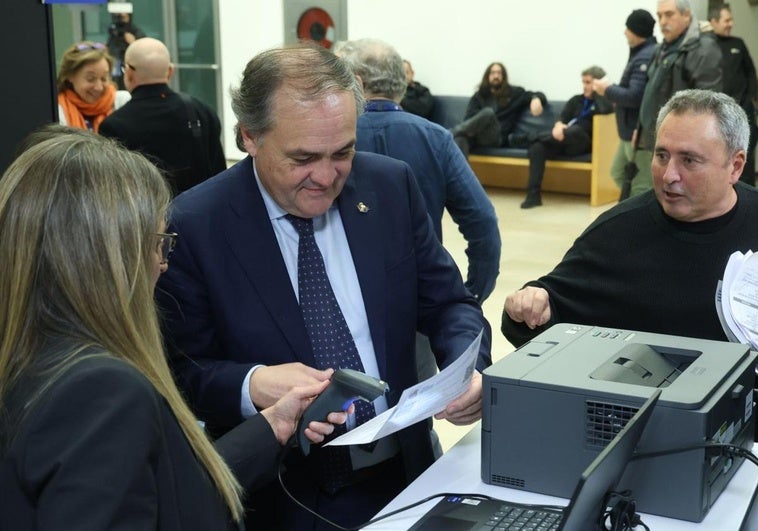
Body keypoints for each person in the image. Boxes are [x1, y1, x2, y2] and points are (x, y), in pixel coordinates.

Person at [155, 43, 492, 530]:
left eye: (343, 152)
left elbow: (449, 304)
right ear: (250, 136)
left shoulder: (390, 187)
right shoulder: (196, 224)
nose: (326, 176)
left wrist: (469, 370)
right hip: (282, 495)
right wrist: (252, 384)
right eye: (303, 157)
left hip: (404, 474)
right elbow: (182, 372)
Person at [0, 132, 348, 530]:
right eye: (158, 244)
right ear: (109, 258)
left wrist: (272, 427)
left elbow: (159, 488)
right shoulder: (102, 390)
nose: (162, 265)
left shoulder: (30, 360)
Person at [501, 89, 753, 350]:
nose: (669, 176)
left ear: (735, 166)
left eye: (689, 160)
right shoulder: (617, 233)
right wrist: (531, 306)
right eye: (662, 156)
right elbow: (546, 308)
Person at [340, 38, 501, 303]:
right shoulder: (436, 138)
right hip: (422, 298)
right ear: (401, 82)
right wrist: (471, 295)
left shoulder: (333, 140)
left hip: (348, 299)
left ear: (356, 82)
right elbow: (483, 222)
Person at [100, 37, 226, 195]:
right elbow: (220, 177)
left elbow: (114, 190)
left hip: (147, 218)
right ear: (170, 71)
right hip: (202, 214)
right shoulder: (202, 112)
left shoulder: (114, 125)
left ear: (129, 73)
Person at [634, 0, 722, 192]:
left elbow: (706, 104)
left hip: (678, 143)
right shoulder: (661, 48)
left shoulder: (704, 49)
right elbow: (650, 92)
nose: (663, 21)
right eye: (659, 16)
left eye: (669, 14)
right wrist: (638, 129)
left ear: (686, 15)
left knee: (650, 193)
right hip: (652, 135)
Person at [519, 66, 612, 209]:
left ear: (597, 83)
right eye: (584, 82)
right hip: (562, 140)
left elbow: (606, 111)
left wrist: (598, 93)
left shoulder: (605, 103)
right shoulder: (576, 100)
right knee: (537, 148)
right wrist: (558, 127)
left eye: (588, 83)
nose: (585, 86)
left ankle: (531, 137)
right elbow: (561, 119)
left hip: (583, 143)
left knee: (574, 131)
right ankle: (533, 195)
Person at [593, 9, 657, 198]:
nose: (624, 32)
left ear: (636, 30)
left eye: (628, 28)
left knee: (641, 184)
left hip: (639, 132)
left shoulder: (644, 57)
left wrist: (607, 89)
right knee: (618, 173)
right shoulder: (641, 54)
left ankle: (641, 220)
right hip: (628, 133)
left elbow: (634, 96)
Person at [707, 3, 757, 186]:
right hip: (716, 116)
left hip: (744, 112)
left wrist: (753, 101)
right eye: (726, 20)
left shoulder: (738, 43)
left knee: (746, 157)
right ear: (713, 22)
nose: (730, 24)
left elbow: (751, 74)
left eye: (731, 19)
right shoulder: (706, 45)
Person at [451, 62, 546, 157]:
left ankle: (450, 133)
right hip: (477, 136)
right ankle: (462, 171)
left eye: (499, 73)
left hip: (496, 138)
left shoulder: (514, 94)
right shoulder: (478, 96)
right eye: (493, 73)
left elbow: (537, 94)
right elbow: (469, 120)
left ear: (504, 76)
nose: (496, 76)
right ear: (487, 76)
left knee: (488, 112)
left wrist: (536, 98)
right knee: (460, 139)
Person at [56, 41, 130, 132]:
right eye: (90, 79)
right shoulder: (57, 111)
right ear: (70, 76)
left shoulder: (122, 102)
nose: (99, 87)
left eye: (104, 78)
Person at [107, 11, 145, 89]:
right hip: (116, 72)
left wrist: (133, 43)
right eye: (117, 17)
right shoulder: (114, 33)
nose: (120, 21)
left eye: (122, 17)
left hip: (132, 73)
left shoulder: (136, 32)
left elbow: (144, 55)